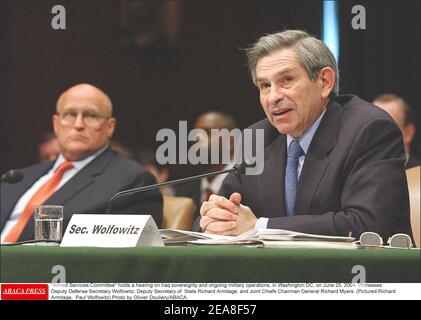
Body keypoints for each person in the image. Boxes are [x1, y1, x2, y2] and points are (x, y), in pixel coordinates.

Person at [198, 30, 412, 241]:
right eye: (265, 86)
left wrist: (260, 226)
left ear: (325, 82)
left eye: (287, 80)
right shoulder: (257, 138)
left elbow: (364, 226)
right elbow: (217, 214)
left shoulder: (369, 130)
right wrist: (214, 219)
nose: (273, 97)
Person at [1, 83, 162, 243]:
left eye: (91, 116)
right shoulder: (16, 178)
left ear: (110, 127)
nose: (78, 125)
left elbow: (120, 259)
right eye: (70, 114)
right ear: (56, 124)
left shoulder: (132, 181)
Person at [176, 111, 238, 221]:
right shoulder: (185, 191)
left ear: (231, 141)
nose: (196, 138)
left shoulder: (249, 185)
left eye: (206, 132)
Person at [373, 94, 419, 169]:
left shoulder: (418, 176)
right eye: (372, 127)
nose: (377, 135)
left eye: (386, 127)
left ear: (408, 133)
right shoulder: (355, 175)